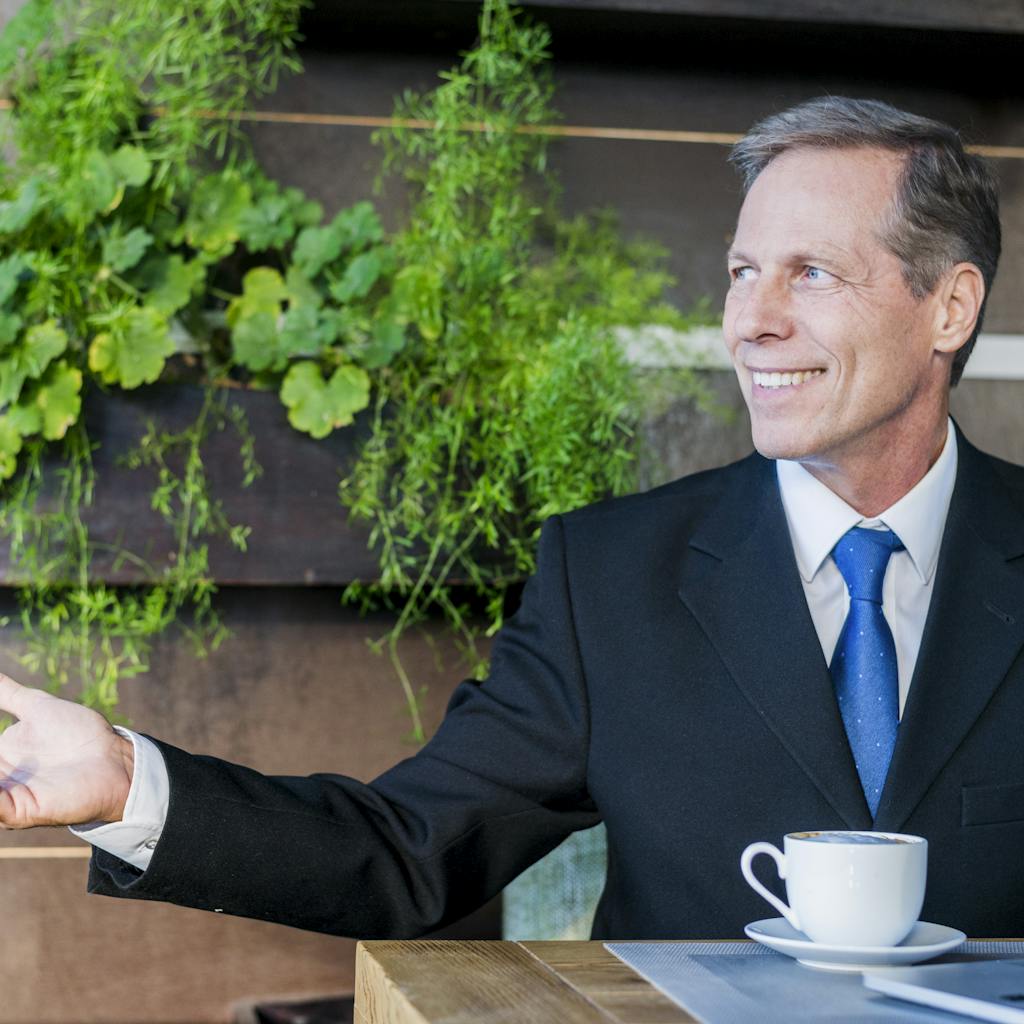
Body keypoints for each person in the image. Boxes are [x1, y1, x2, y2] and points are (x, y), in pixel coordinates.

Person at [0, 96, 1019, 940]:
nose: (752, 319)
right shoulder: (609, 576)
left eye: (813, 272)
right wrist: (129, 781)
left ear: (949, 306)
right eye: (743, 270)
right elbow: (407, 849)